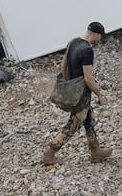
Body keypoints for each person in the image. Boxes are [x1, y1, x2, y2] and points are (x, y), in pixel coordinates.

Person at [42, 21, 112, 165]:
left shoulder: (73, 42)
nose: (100, 40)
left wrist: (69, 83)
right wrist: (99, 94)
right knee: (73, 125)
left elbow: (63, 66)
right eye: (100, 36)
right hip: (81, 95)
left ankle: (95, 151)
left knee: (89, 120)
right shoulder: (87, 51)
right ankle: (49, 154)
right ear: (95, 34)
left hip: (74, 90)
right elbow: (88, 77)